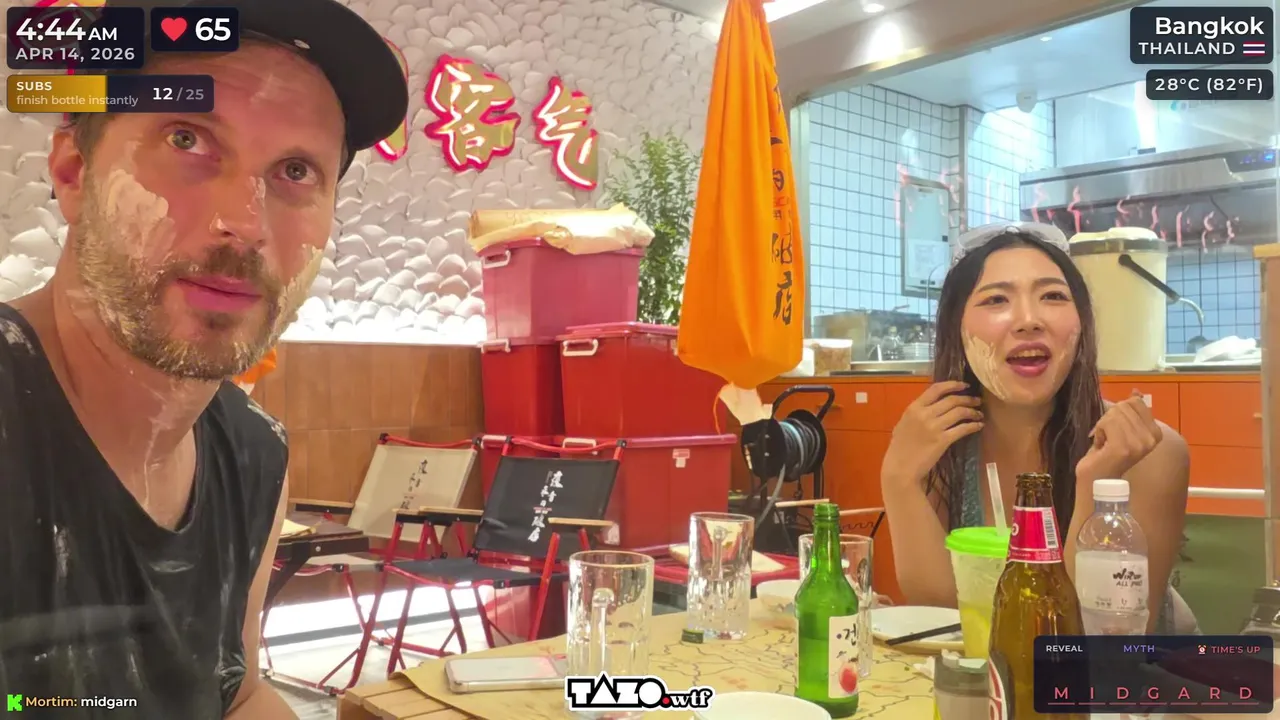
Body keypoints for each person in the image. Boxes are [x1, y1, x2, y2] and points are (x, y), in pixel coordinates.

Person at [0, 0, 408, 717]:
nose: (245, 224)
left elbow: (237, 690)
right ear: (73, 171)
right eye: (187, 138)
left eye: (294, 170)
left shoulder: (254, 452)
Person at [880, 223, 1196, 634]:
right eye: (996, 299)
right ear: (956, 329)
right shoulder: (939, 444)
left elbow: (1098, 641)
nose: (1029, 320)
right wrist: (898, 477)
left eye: (1053, 296)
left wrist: (1096, 488)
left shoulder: (1145, 450)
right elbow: (944, 618)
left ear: (1081, 326)